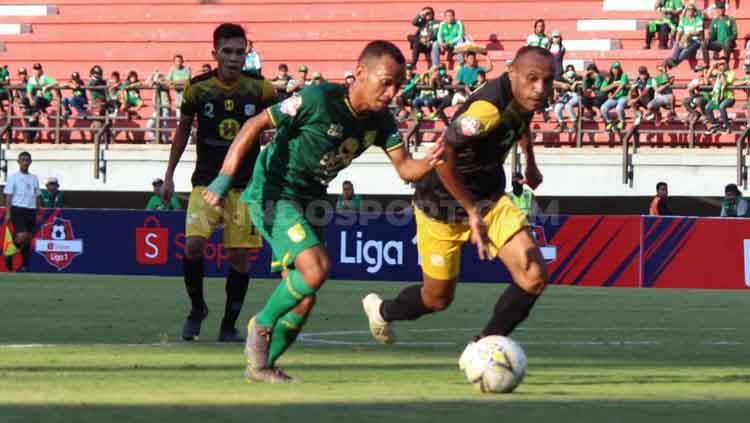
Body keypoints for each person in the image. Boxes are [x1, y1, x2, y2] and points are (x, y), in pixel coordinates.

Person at [201, 40, 445, 383]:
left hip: (312, 201)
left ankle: (261, 367)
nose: (392, 92)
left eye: (398, 85)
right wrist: (224, 179)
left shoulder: (381, 122)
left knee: (303, 299)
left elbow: (406, 169)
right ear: (360, 72)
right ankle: (262, 323)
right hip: (274, 193)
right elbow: (254, 124)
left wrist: (433, 161)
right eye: (386, 82)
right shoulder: (318, 99)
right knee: (315, 270)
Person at [362, 48, 553, 374]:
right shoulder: (484, 112)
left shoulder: (522, 98)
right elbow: (445, 152)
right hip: (440, 205)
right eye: (532, 80)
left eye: (547, 81)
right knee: (436, 299)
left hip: (490, 199)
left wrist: (530, 163)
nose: (539, 89)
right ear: (512, 74)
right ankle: (382, 311)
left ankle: (481, 348)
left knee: (533, 276)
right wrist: (470, 211)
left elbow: (520, 121)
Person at [161, 23, 278, 343]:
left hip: (245, 187)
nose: (234, 58)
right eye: (227, 51)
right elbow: (183, 131)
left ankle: (229, 324)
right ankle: (197, 309)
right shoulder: (197, 89)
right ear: (214, 53)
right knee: (194, 244)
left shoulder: (261, 89)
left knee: (240, 257)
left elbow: (283, 124)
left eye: (240, 52)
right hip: (206, 184)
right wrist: (169, 175)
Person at [3, 151, 41, 272]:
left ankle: (24, 265)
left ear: (30, 162)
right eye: (22, 159)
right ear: (18, 162)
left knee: (28, 238)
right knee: (22, 235)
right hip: (17, 209)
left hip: (31, 210)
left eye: (27, 159)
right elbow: (8, 195)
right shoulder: (13, 177)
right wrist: (8, 213)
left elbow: (37, 195)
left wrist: (38, 210)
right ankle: (9, 251)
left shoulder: (34, 178)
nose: (25, 162)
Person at [700, 4, 737, 69]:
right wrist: (709, 38)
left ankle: (726, 63)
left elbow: (735, 34)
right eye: (719, 9)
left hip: (729, 43)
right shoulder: (714, 21)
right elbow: (712, 35)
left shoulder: (730, 19)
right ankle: (706, 64)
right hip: (718, 43)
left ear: (724, 10)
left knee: (727, 42)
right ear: (716, 10)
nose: (720, 11)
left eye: (722, 9)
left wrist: (729, 39)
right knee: (704, 43)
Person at [704, 58, 735, 134]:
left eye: (723, 64)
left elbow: (725, 84)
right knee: (707, 107)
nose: (721, 65)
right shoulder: (717, 72)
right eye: (720, 64)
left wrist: (722, 74)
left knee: (722, 106)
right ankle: (714, 125)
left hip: (729, 97)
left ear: (727, 64)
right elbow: (707, 77)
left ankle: (727, 127)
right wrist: (712, 66)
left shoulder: (731, 73)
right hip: (718, 97)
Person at [669, 3, 703, 69]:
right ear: (686, 11)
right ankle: (673, 60)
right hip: (685, 40)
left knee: (686, 50)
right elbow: (679, 31)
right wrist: (677, 40)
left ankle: (674, 63)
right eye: (688, 10)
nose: (690, 11)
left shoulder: (698, 19)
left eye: (692, 10)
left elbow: (699, 32)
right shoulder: (683, 20)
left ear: (694, 11)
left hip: (696, 40)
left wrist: (689, 34)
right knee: (678, 45)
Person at [599, 62, 629, 132]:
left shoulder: (623, 75)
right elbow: (602, 89)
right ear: (611, 69)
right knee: (603, 108)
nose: (616, 70)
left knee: (619, 107)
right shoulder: (609, 78)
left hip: (623, 97)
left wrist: (614, 94)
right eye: (614, 68)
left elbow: (621, 85)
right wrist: (613, 85)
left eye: (617, 68)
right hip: (613, 98)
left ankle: (621, 121)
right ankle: (610, 122)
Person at [552, 64, 580, 132]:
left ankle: (574, 124)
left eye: (571, 69)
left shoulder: (578, 77)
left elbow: (584, 82)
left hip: (575, 95)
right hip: (565, 96)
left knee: (568, 106)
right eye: (568, 70)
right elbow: (554, 85)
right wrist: (556, 92)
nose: (570, 71)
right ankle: (562, 124)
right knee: (557, 108)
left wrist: (576, 82)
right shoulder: (562, 78)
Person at [168, 54, 192, 118]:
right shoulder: (172, 70)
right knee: (178, 117)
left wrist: (174, 82)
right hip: (177, 96)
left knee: (187, 116)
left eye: (179, 61)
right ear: (174, 62)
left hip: (186, 95)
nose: (178, 63)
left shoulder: (187, 69)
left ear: (182, 61)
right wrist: (173, 84)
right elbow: (168, 82)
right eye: (176, 61)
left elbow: (187, 81)